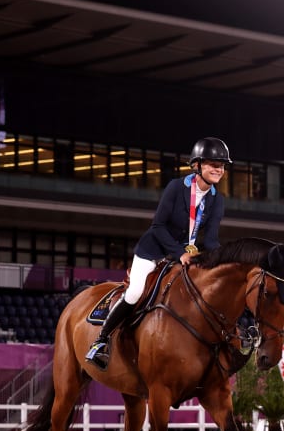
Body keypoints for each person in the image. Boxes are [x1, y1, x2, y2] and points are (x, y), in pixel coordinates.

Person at [85, 137, 231, 370]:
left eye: (222, 165)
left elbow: (211, 240)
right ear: (197, 165)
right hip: (153, 251)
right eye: (213, 163)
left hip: (182, 256)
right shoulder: (176, 187)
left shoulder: (217, 200)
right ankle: (100, 341)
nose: (218, 169)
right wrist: (179, 252)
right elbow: (158, 227)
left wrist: (222, 261)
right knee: (134, 292)